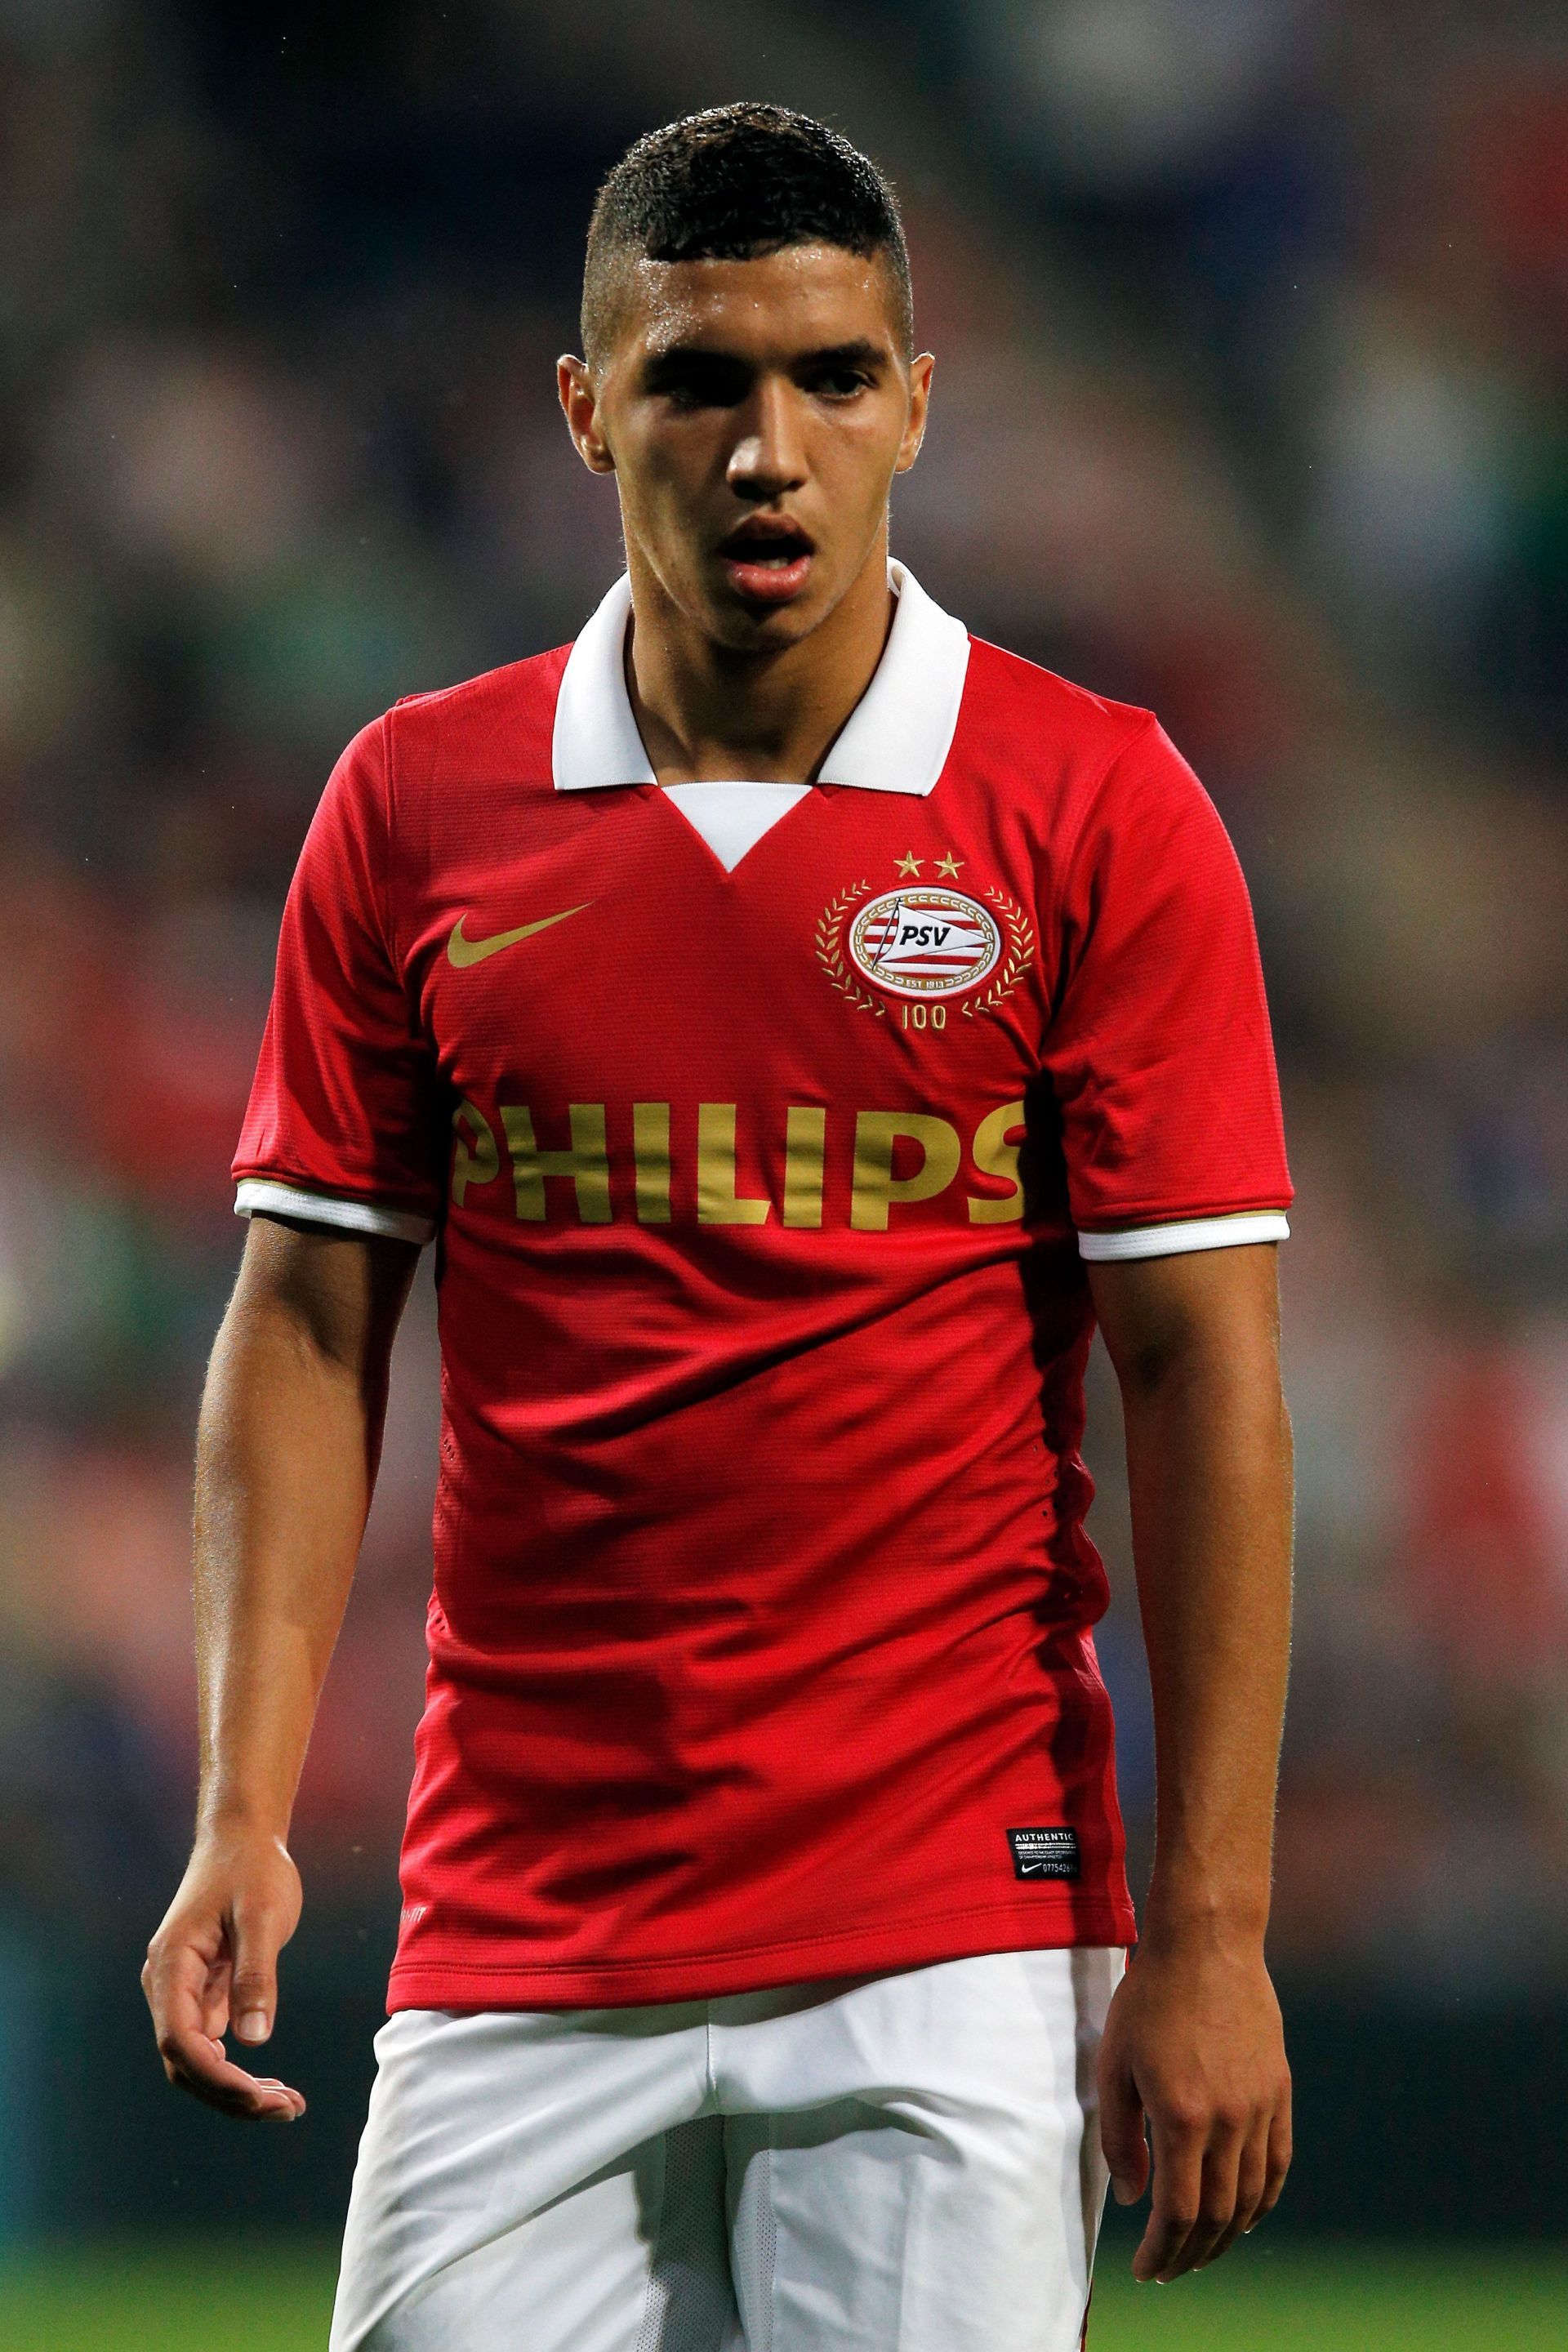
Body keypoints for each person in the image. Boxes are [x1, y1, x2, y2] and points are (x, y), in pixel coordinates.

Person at [142, 102, 1294, 2352]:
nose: (769, 448)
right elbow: (302, 1329)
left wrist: (1216, 1931)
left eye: (832, 379)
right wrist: (241, 1806)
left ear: (918, 406)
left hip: (948, 1925)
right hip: (519, 1923)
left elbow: (1202, 1373)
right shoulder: (413, 806)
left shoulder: (1093, 805)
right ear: (587, 413)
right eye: (699, 383)